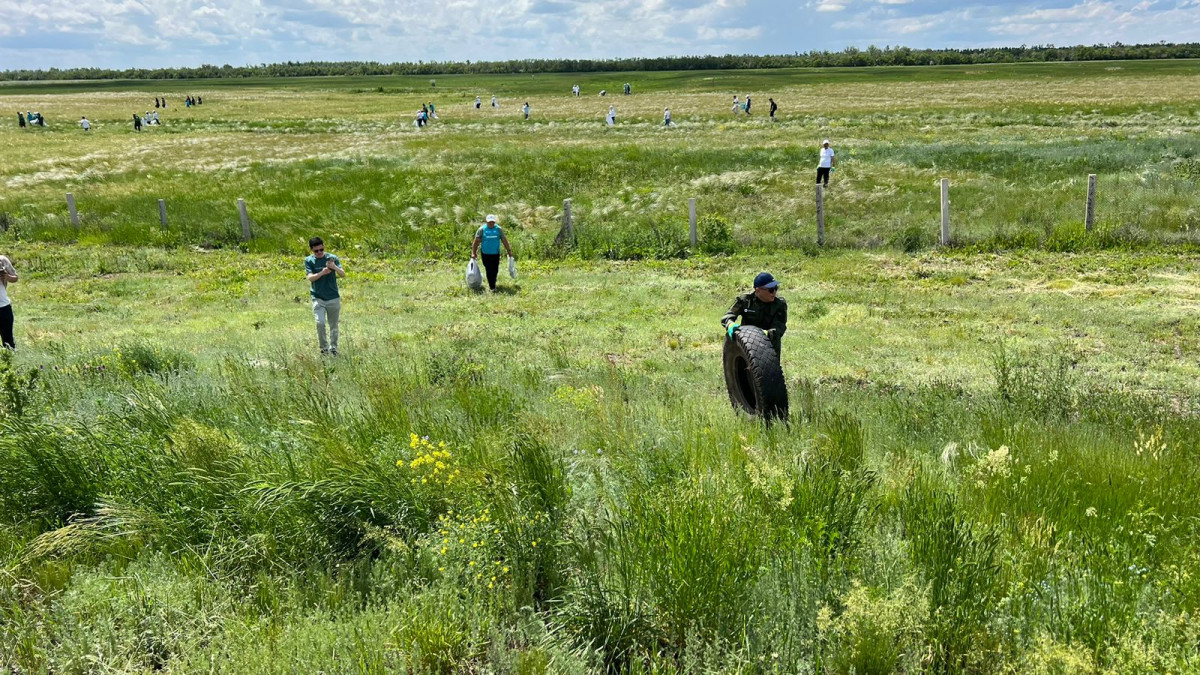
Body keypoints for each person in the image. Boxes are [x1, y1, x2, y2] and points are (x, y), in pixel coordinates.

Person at [722, 272, 787, 356]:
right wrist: (730, 324)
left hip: (769, 344)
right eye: (770, 290)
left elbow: (779, 328)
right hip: (745, 342)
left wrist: (763, 334)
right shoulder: (745, 300)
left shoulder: (779, 304)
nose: (774, 292)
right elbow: (728, 315)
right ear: (758, 290)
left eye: (776, 288)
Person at [304, 237, 345, 355]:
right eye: (316, 251)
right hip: (318, 297)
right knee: (320, 322)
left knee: (333, 324)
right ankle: (323, 348)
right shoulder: (309, 260)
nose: (320, 252)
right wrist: (322, 272)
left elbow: (343, 274)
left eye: (321, 249)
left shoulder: (332, 258)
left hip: (333, 297)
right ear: (312, 250)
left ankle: (334, 348)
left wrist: (334, 267)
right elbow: (310, 278)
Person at [470, 214, 514, 291]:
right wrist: (473, 253)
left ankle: (492, 283)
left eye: (492, 222)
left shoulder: (498, 229)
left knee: (495, 269)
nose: (491, 224)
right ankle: (492, 286)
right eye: (489, 222)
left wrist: (509, 251)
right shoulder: (482, 229)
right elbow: (476, 242)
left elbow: (504, 240)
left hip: (495, 254)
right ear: (486, 222)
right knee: (489, 269)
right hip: (485, 254)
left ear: (494, 222)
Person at [0, 254, 18, 350]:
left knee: (8, 342)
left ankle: (9, 363)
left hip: (4, 306)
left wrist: (6, 276)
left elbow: (15, 277)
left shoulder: (2, 260)